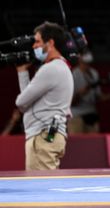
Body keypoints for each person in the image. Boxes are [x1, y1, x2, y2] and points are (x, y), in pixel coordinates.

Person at [14, 21, 74, 170]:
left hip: (42, 135)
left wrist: (22, 74)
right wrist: (22, 72)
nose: (34, 46)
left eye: (38, 41)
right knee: (46, 188)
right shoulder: (62, 66)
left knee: (40, 188)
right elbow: (26, 102)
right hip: (50, 134)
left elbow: (21, 102)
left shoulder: (50, 69)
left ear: (50, 43)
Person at [68, 51, 108, 133]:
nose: (86, 66)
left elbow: (98, 96)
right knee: (77, 143)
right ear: (79, 60)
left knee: (93, 144)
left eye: (88, 63)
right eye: (85, 63)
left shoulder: (94, 73)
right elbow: (69, 102)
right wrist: (81, 94)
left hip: (91, 114)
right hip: (76, 115)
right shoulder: (73, 74)